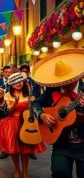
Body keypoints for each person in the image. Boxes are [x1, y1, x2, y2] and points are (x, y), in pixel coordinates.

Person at [32, 49, 84, 178]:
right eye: (62, 81)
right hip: (61, 144)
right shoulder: (51, 90)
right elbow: (35, 104)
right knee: (59, 172)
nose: (65, 84)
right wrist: (41, 115)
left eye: (68, 81)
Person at [0, 72, 46, 178]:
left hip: (26, 123)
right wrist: (15, 103)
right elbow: (7, 112)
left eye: (20, 81)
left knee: (25, 150)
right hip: (12, 124)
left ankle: (25, 171)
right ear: (11, 84)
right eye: (15, 82)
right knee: (14, 150)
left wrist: (33, 103)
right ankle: (17, 170)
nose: (19, 83)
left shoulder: (28, 94)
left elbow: (33, 109)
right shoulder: (7, 95)